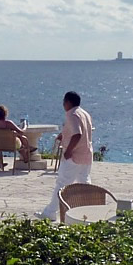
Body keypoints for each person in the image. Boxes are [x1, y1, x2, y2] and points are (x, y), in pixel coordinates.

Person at [40, 91, 94, 221]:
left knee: (62, 184)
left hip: (74, 156)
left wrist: (68, 150)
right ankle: (90, 209)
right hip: (86, 155)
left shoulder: (72, 114)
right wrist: (63, 134)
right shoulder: (84, 113)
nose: (63, 104)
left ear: (68, 102)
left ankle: (50, 212)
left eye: (64, 102)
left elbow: (77, 134)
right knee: (84, 183)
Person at [0, 105, 35, 170]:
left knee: (17, 136)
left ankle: (26, 153)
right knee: (20, 137)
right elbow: (21, 132)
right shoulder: (8, 123)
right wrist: (25, 126)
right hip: (11, 145)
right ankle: (27, 150)